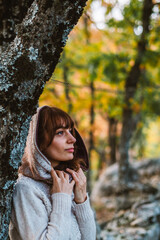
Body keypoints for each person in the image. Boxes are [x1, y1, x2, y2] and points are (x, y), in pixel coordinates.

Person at [9, 105, 96, 240]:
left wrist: (81, 201)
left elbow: (89, 238)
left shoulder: (66, 180)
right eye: (60, 132)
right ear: (39, 141)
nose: (72, 139)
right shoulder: (26, 188)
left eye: (70, 131)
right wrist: (61, 198)